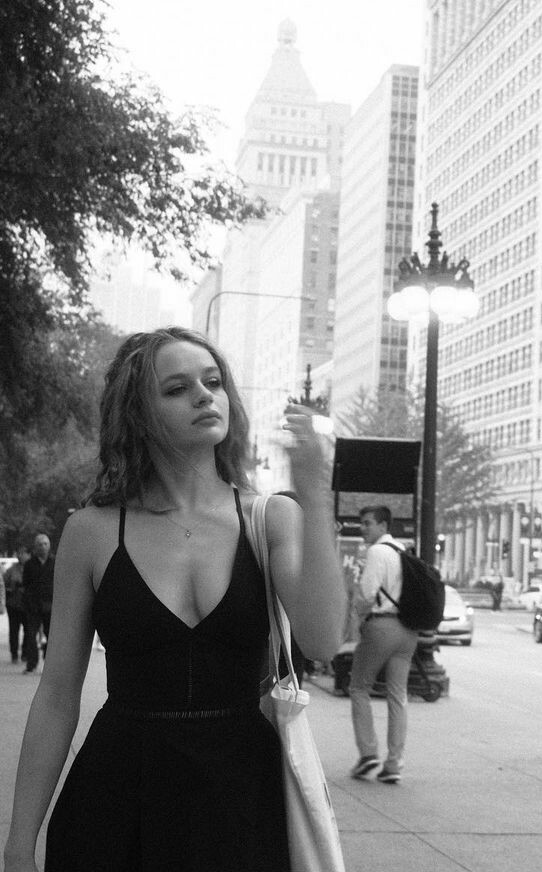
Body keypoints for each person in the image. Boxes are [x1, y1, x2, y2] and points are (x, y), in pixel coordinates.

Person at [2, 327, 346, 872]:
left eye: (213, 382)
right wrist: (19, 842)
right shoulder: (92, 530)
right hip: (116, 799)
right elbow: (58, 693)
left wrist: (317, 498)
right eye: (178, 388)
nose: (205, 396)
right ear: (138, 414)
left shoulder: (271, 518)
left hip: (243, 801)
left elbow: (323, 640)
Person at [349, 504, 418, 785]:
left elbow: (367, 594)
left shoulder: (377, 552)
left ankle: (368, 754)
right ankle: (394, 764)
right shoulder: (403, 551)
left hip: (382, 626)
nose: (363, 528)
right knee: (397, 695)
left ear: (383, 526)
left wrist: (356, 615)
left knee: (359, 687)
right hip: (408, 630)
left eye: (368, 523)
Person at [21, 535, 55, 674]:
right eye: (40, 544)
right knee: (30, 634)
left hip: (50, 605)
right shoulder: (29, 564)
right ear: (35, 547)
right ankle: (32, 663)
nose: (43, 547)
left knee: (51, 636)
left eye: (45, 544)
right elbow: (25, 584)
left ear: (49, 546)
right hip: (33, 606)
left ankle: (49, 664)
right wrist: (28, 602)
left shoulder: (55, 562)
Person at [3, 547, 31, 664]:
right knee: (14, 630)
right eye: (18, 553)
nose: (20, 556)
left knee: (28, 630)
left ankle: (25, 653)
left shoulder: (32, 569)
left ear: (28, 555)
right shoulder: (11, 570)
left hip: (28, 605)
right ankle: (14, 653)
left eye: (22, 553)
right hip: (14, 605)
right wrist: (12, 588)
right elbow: (4, 585)